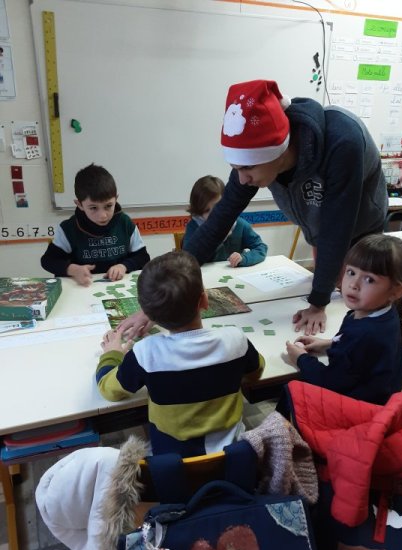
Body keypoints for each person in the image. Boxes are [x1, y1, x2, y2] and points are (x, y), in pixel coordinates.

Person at [182, 79, 388, 336]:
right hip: (321, 229)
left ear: (279, 152)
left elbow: (336, 230)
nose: (242, 179)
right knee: (329, 291)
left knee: (360, 309)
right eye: (236, 169)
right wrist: (175, 280)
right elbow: (220, 219)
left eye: (246, 168)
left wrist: (317, 304)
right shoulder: (255, 158)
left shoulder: (343, 142)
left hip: (361, 228)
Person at [96, 250, 265, 457]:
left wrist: (112, 354)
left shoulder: (145, 353)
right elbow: (256, 372)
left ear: (148, 314)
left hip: (174, 462)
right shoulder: (236, 340)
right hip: (233, 455)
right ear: (204, 300)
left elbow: (108, 390)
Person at [285, 234, 402, 405]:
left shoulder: (366, 334)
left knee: (289, 392)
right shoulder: (384, 314)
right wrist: (330, 344)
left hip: (357, 411)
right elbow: (360, 354)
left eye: (369, 279)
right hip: (374, 402)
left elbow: (328, 383)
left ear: (396, 291)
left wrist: (301, 359)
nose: (354, 284)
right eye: (351, 272)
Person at [41, 164, 150, 286]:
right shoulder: (68, 229)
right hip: (83, 288)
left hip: (117, 286)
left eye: (108, 206)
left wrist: (124, 266)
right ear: (80, 205)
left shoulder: (125, 223)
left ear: (116, 199)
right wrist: (73, 270)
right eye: (93, 208)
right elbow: (48, 261)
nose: (103, 215)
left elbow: (143, 257)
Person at [183, 175, 268, 267]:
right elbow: (187, 260)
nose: (212, 215)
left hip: (234, 273)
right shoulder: (193, 226)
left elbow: (261, 247)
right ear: (198, 210)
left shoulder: (240, 225)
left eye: (217, 207)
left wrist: (244, 258)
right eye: (206, 210)